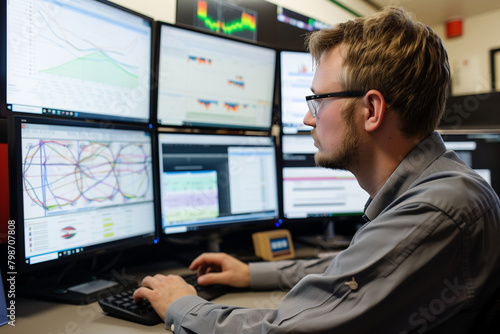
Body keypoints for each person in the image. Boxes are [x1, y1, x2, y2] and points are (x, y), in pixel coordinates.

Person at [134, 6, 500, 333]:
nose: (307, 118)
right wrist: (252, 273)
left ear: (371, 110)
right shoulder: (440, 188)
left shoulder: (438, 210)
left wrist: (181, 305)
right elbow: (354, 266)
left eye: (318, 100)